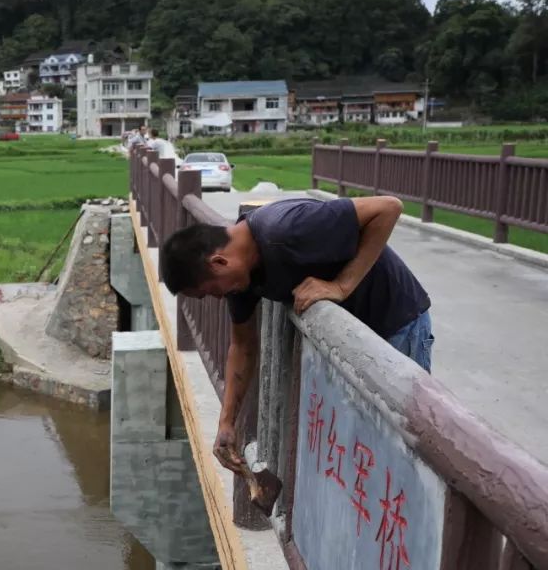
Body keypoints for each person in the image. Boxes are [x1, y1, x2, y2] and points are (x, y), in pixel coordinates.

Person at [158, 195, 432, 472]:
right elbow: (242, 346)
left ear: (218, 262)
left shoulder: (285, 228)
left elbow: (388, 207)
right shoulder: (240, 277)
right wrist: (227, 423)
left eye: (210, 291)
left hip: (397, 324)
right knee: (370, 448)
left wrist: (340, 286)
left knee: (403, 449)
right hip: (357, 343)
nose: (218, 298)